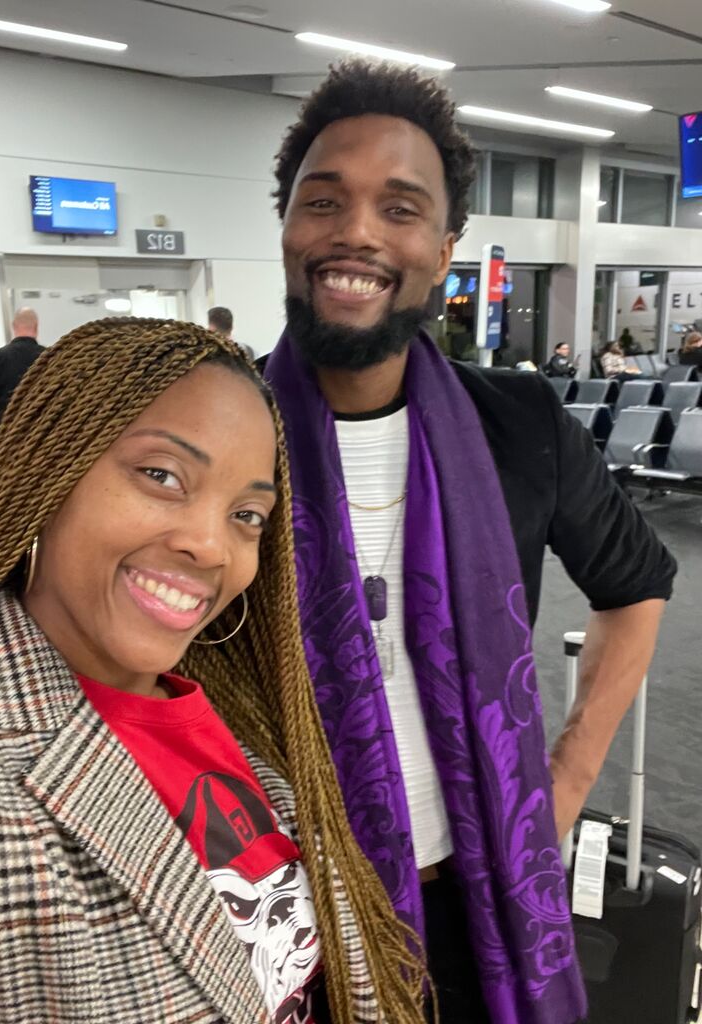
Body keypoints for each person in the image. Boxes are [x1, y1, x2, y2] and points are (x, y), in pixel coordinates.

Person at [263, 60, 676, 1024]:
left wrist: (566, 781)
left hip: (474, 885)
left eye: (400, 209)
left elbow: (638, 585)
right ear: (287, 226)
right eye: (324, 201)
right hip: (280, 908)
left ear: (444, 248)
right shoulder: (224, 431)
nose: (357, 232)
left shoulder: (520, 422)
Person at [0, 318, 429, 1024]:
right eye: (161, 475)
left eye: (247, 514)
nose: (210, 545)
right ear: (48, 471)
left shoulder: (238, 718)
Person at [0, 307, 45, 422]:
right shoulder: (49, 356)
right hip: (41, 427)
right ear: (36, 326)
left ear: (13, 326)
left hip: (8, 428)